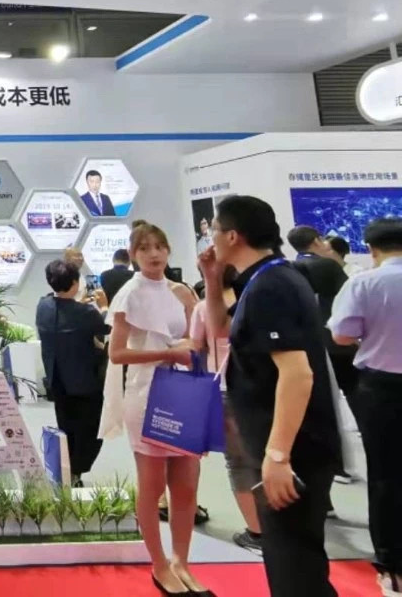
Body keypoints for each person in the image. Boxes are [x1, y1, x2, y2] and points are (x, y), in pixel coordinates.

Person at [200, 196, 340, 597]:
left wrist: (278, 455)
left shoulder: (271, 286)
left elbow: (297, 373)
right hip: (283, 444)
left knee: (295, 566)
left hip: (294, 449)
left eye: (213, 231)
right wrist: (212, 279)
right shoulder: (262, 278)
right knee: (292, 560)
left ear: (232, 236)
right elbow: (220, 329)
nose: (209, 239)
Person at [104, 223, 208, 595]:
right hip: (147, 395)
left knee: (187, 486)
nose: (154, 254)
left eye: (160, 246)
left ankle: (181, 561)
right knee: (151, 486)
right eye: (145, 248)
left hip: (184, 393)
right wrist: (167, 353)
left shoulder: (181, 292)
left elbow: (201, 338)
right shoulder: (129, 294)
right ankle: (159, 564)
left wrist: (189, 349)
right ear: (134, 254)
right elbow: (117, 353)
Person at [329, 217, 402, 597]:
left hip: (382, 387)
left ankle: (393, 567)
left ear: (372, 249)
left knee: (386, 476)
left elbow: (342, 334)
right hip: (382, 384)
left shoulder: (363, 282)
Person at [188, 266, 264, 556]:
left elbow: (195, 349)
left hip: (223, 389)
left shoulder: (203, 308)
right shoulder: (253, 300)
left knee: (239, 462)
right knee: (265, 456)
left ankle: (257, 532)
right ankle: (278, 526)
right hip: (261, 389)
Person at [289, 224, 356, 485]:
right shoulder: (328, 267)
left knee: (320, 408)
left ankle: (331, 469)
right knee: (356, 401)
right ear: (317, 241)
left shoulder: (290, 269)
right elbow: (350, 303)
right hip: (340, 345)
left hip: (308, 349)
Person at [36, 259, 109, 486]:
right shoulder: (86, 312)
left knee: (66, 427)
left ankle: (68, 472)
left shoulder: (43, 305)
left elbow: (67, 315)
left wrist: (78, 303)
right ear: (76, 283)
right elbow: (108, 327)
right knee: (90, 430)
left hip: (57, 380)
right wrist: (104, 307)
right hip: (86, 382)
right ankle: (76, 471)